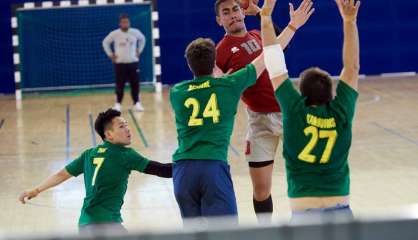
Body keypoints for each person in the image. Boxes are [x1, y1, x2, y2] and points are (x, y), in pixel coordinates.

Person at [259, 0, 360, 222]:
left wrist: (266, 17)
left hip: (303, 213)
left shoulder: (295, 111)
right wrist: (349, 21)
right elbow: (351, 68)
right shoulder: (340, 112)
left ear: (301, 95)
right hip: (340, 209)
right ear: (332, 93)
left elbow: (275, 64)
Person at [215, 0, 314, 221]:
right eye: (226, 12)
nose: (233, 15)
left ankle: (306, 224)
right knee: (261, 190)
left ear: (243, 12)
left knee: (304, 177)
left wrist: (288, 23)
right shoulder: (220, 51)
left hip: (289, 113)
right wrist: (221, 81)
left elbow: (279, 46)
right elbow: (215, 86)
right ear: (219, 20)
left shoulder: (258, 34)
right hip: (258, 120)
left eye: (236, 9)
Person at [19, 109, 172, 234]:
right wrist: (189, 163)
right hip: (107, 226)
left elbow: (61, 175)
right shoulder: (125, 155)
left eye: (126, 124)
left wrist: (36, 189)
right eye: (121, 126)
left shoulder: (89, 154)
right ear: (108, 135)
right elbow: (162, 170)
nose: (127, 129)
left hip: (85, 224)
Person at [169, 37, 265, 220]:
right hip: (212, 168)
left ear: (189, 65)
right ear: (214, 62)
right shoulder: (229, 85)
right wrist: (290, 26)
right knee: (224, 233)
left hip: (182, 172)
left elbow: (202, 92)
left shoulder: (177, 92)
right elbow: (264, 58)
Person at [103, 14, 146, 112]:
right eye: (123, 22)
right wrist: (110, 54)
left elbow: (143, 39)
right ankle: (118, 104)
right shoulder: (115, 34)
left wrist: (139, 50)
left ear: (129, 22)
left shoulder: (135, 32)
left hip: (133, 62)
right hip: (120, 63)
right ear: (120, 23)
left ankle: (137, 103)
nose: (125, 24)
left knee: (135, 84)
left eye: (127, 22)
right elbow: (105, 42)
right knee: (120, 84)